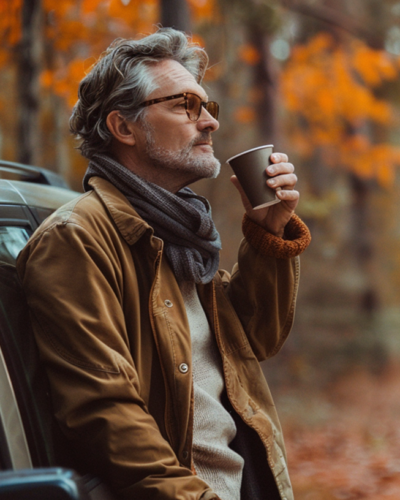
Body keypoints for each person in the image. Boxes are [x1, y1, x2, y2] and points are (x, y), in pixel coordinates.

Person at [17, 28, 311, 500]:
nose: (210, 123)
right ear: (124, 127)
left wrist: (268, 232)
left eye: (207, 107)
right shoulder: (78, 239)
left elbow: (255, 340)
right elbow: (105, 412)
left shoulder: (179, 231)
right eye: (184, 106)